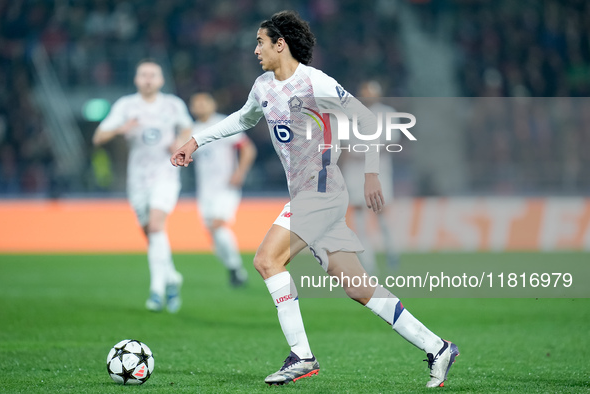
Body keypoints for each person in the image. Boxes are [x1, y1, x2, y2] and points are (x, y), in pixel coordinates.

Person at [171, 11, 458, 388]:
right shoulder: (262, 86)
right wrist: (196, 140)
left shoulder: (315, 82)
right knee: (356, 286)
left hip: (321, 191)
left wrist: (371, 174)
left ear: (280, 44)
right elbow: (242, 120)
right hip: (308, 193)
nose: (255, 49)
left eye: (260, 41)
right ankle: (437, 347)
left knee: (266, 259)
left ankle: (302, 356)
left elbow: (368, 121)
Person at [93, 59, 193, 313]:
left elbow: (188, 128)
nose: (148, 79)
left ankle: (157, 291)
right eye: (143, 75)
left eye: (153, 75)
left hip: (166, 175)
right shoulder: (126, 106)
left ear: (161, 80)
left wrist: (180, 143)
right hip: (137, 179)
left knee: (157, 225)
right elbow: (98, 137)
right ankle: (173, 278)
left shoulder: (172, 104)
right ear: (136, 79)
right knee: (151, 234)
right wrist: (119, 129)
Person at [190, 92, 257, 287]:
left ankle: (235, 268)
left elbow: (248, 148)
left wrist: (240, 172)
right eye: (196, 103)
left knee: (218, 225)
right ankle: (234, 269)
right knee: (211, 233)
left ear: (213, 104)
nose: (200, 106)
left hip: (226, 187)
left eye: (204, 102)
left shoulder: (224, 123)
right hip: (205, 190)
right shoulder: (192, 130)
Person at [339, 80, 399, 275]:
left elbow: (390, 143)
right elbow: (344, 145)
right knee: (359, 219)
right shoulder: (350, 113)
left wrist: (366, 153)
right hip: (354, 172)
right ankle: (368, 263)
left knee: (381, 214)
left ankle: (391, 252)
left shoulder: (387, 113)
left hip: (378, 172)